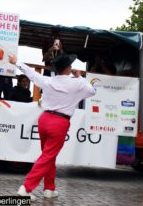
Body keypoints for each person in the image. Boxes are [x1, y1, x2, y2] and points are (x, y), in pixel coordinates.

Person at [8, 53, 96, 201]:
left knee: (48, 156)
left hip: (44, 119)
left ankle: (49, 188)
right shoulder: (77, 83)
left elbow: (31, 73)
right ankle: (26, 188)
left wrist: (17, 62)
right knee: (48, 156)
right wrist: (80, 77)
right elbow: (92, 91)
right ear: (69, 68)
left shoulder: (48, 81)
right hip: (59, 122)